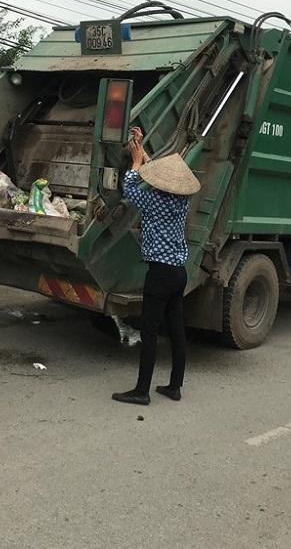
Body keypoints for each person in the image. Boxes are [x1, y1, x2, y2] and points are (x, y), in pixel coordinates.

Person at [112, 127, 200, 406]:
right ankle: (175, 386)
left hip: (160, 274)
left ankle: (141, 391)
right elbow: (157, 176)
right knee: (176, 330)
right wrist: (142, 149)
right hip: (178, 272)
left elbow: (129, 187)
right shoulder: (181, 200)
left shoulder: (151, 200)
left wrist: (136, 164)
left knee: (148, 331)